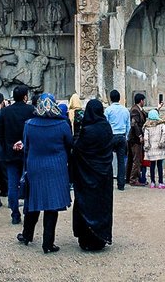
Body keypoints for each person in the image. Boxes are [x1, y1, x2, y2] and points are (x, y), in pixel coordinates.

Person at [17, 93, 72, 254]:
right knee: (51, 206)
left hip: (35, 166)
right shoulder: (62, 124)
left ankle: (27, 235)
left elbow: (26, 146)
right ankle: (48, 243)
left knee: (33, 201)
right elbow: (69, 144)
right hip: (56, 167)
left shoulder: (29, 124)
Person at [71, 99, 114, 251]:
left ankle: (86, 238)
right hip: (104, 174)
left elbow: (78, 150)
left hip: (86, 174)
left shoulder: (87, 130)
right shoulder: (106, 127)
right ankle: (100, 237)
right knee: (102, 205)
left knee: (86, 204)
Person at [0, 85, 35, 224]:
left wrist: (9, 146)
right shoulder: (31, 110)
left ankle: (15, 214)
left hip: (10, 153)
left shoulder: (5, 112)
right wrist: (24, 144)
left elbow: (0, 133)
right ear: (25, 96)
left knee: (12, 185)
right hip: (28, 153)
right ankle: (27, 210)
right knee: (29, 182)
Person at [104, 90, 130, 191]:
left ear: (110, 98)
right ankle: (121, 184)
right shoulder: (125, 110)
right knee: (121, 161)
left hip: (111, 136)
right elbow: (128, 126)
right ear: (119, 98)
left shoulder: (108, 110)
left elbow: (105, 124)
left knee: (108, 160)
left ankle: (108, 182)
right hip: (122, 136)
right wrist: (126, 137)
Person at [143, 109, 165, 189]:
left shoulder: (147, 126)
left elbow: (146, 137)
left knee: (152, 166)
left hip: (151, 149)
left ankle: (152, 182)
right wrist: (161, 142)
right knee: (160, 165)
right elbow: (164, 132)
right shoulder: (161, 124)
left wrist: (147, 146)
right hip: (159, 148)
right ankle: (161, 182)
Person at [126, 93, 147, 187]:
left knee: (131, 159)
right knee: (136, 159)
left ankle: (129, 177)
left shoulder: (138, 109)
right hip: (135, 139)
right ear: (141, 100)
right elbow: (134, 124)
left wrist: (157, 109)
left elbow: (146, 114)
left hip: (133, 138)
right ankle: (133, 179)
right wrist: (140, 136)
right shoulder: (135, 110)